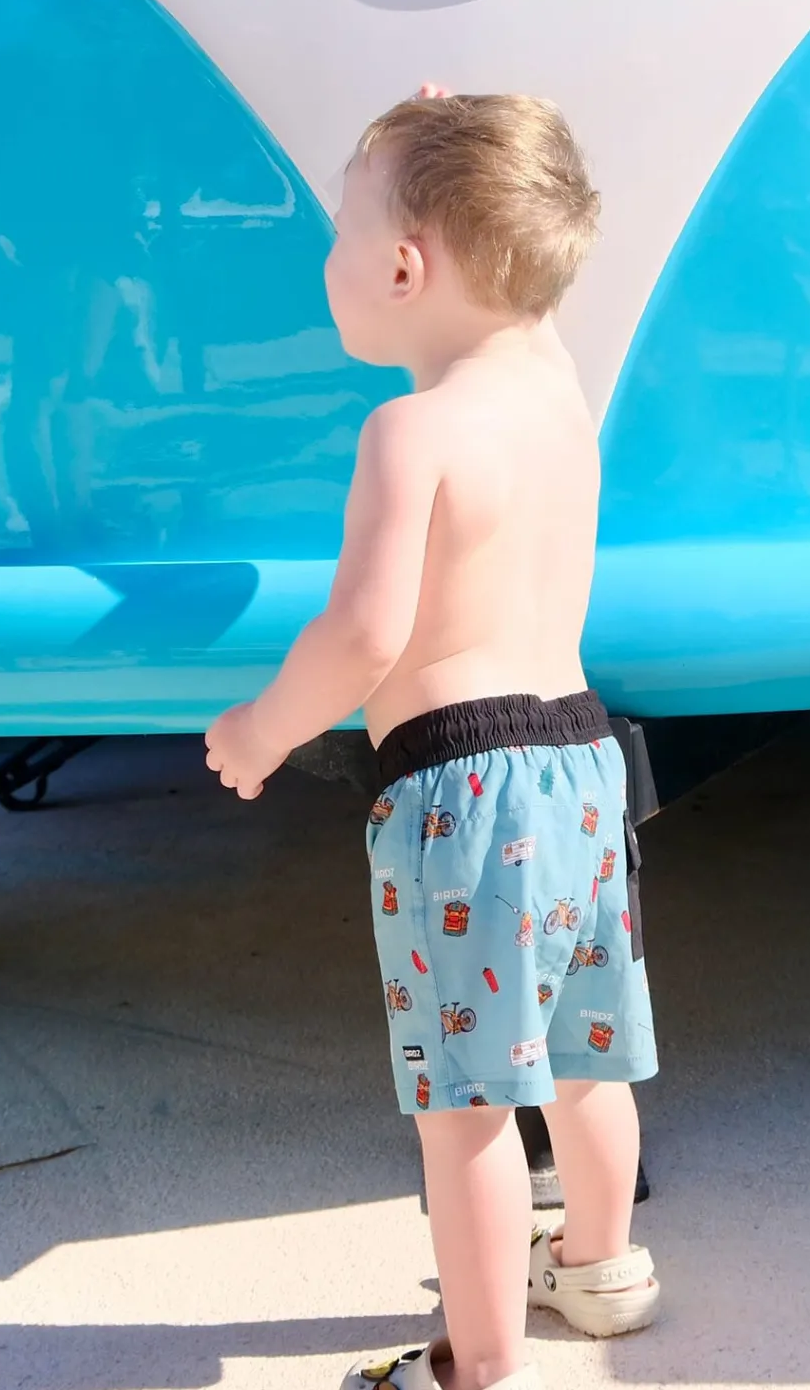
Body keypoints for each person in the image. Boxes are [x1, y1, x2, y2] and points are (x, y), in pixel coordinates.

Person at [205, 90, 659, 1390]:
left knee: (465, 1106)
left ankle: (478, 1367)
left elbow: (362, 635)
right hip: (583, 767)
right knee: (582, 1060)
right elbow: (513, 257)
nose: (331, 257)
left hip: (462, 795)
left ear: (405, 268)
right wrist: (471, 149)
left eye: (343, 230)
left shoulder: (409, 432)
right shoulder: (557, 392)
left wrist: (261, 730)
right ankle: (601, 1266)